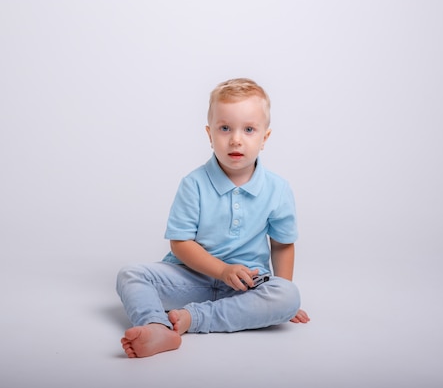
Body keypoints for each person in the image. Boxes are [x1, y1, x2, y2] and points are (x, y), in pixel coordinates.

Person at [116, 78, 310, 358]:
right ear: (209, 134)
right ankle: (156, 326)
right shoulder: (193, 184)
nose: (236, 139)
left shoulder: (278, 189)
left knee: (289, 295)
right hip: (191, 278)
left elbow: (282, 245)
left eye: (249, 129)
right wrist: (221, 271)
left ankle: (192, 319)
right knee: (130, 275)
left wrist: (283, 296)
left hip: (246, 286)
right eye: (225, 128)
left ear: (264, 138)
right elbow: (180, 244)